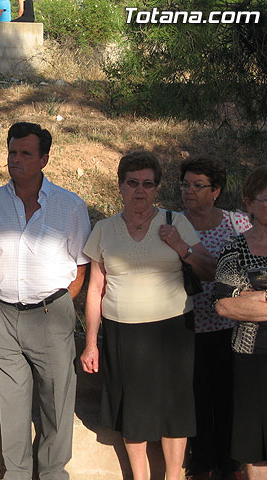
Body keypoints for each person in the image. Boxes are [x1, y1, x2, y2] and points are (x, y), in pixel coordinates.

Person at [80, 151, 216, 480]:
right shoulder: (104, 229)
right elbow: (95, 289)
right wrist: (90, 343)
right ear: (120, 186)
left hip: (173, 332)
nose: (140, 190)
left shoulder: (175, 222)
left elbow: (209, 270)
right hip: (123, 333)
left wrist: (181, 246)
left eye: (148, 184)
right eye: (132, 183)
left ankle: (172, 476)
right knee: (134, 410)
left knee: (175, 409)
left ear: (157, 187)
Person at [0, 122, 91, 480]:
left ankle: (53, 473)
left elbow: (81, 266)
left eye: (26, 153)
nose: (16, 159)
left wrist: (58, 306)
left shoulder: (70, 206)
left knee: (57, 401)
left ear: (44, 159)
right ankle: (16, 473)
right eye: (12, 152)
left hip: (51, 313)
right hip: (3, 314)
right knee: (10, 403)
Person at [178, 157, 250, 480]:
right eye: (185, 184)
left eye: (198, 185)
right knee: (196, 399)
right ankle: (201, 465)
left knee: (228, 399)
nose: (189, 191)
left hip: (232, 328)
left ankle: (229, 465)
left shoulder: (238, 224)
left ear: (216, 190)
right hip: (188, 326)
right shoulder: (173, 223)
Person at [213, 165, 267, 480]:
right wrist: (242, 301)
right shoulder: (234, 249)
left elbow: (238, 300)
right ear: (248, 203)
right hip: (250, 356)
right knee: (254, 445)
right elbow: (224, 305)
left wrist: (252, 297)